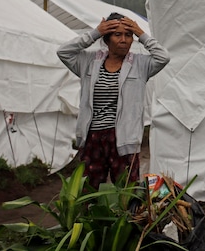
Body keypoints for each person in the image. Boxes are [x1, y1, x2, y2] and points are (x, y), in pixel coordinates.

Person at [57, 12, 169, 189]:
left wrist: (141, 33)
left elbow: (163, 57)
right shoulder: (89, 61)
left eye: (128, 35)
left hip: (124, 138)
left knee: (126, 192)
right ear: (106, 38)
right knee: (89, 190)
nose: (124, 40)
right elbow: (63, 52)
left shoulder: (141, 65)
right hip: (93, 138)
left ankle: (125, 218)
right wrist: (95, 33)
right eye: (117, 35)